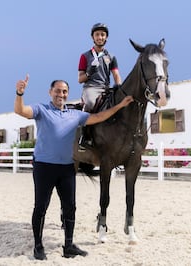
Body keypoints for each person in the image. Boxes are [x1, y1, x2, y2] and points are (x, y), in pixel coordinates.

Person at [14, 75, 133, 260]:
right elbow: (20, 110)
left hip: (67, 168)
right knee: (41, 207)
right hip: (44, 167)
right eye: (57, 91)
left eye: (64, 91)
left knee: (70, 207)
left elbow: (99, 116)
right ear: (50, 92)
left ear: (68, 94)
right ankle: (38, 246)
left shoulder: (75, 114)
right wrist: (19, 93)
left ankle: (68, 245)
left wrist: (120, 106)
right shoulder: (41, 110)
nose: (61, 94)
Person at [77, 22, 123, 150]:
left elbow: (116, 75)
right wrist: (88, 73)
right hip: (90, 88)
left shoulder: (111, 56)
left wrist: (119, 87)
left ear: (106, 37)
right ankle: (84, 137)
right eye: (97, 34)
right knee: (90, 103)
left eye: (102, 35)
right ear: (93, 37)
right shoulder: (85, 56)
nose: (100, 37)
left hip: (106, 87)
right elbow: (80, 79)